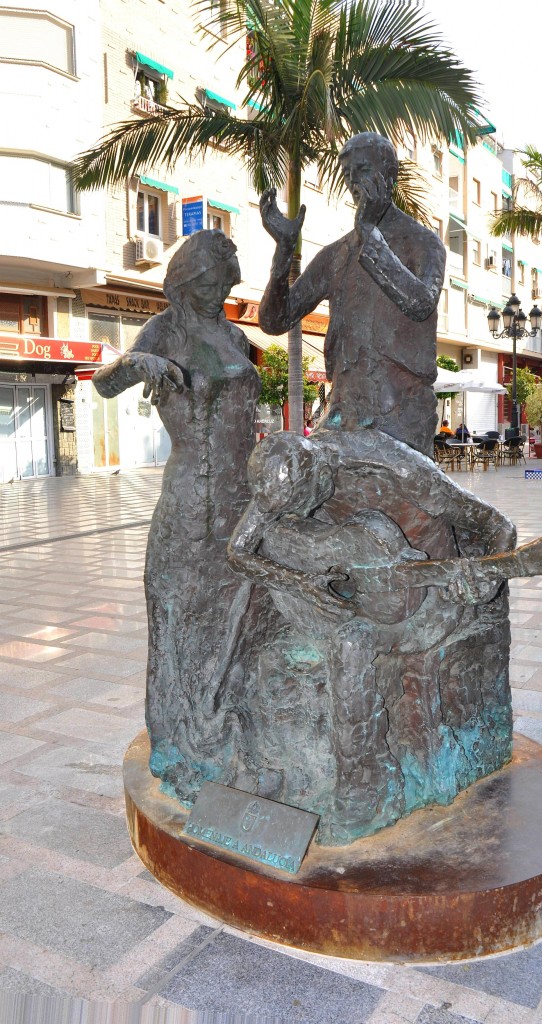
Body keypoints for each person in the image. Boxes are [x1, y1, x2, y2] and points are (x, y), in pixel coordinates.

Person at [228, 428, 516, 842]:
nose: (297, 516)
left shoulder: (399, 471)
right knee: (285, 565)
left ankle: (364, 784)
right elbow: (239, 551)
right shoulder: (283, 473)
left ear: (317, 472)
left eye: (300, 506)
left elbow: (497, 526)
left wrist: (483, 585)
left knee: (351, 645)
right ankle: (292, 765)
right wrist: (297, 581)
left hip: (422, 600)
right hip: (342, 591)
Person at [92, 229, 275, 801]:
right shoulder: (166, 329)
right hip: (191, 502)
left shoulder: (234, 335)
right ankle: (179, 745)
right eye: (218, 277)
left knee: (235, 622)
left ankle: (227, 736)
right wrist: (139, 361)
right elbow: (103, 382)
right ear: (193, 278)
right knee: (182, 618)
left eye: (229, 277)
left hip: (241, 498)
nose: (227, 285)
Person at [258, 132, 446, 457]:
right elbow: (274, 320)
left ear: (389, 175)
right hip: (342, 414)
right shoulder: (334, 255)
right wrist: (283, 252)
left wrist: (370, 233)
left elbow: (420, 303)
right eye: (348, 176)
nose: (354, 183)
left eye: (362, 170)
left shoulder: (424, 244)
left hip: (400, 418)